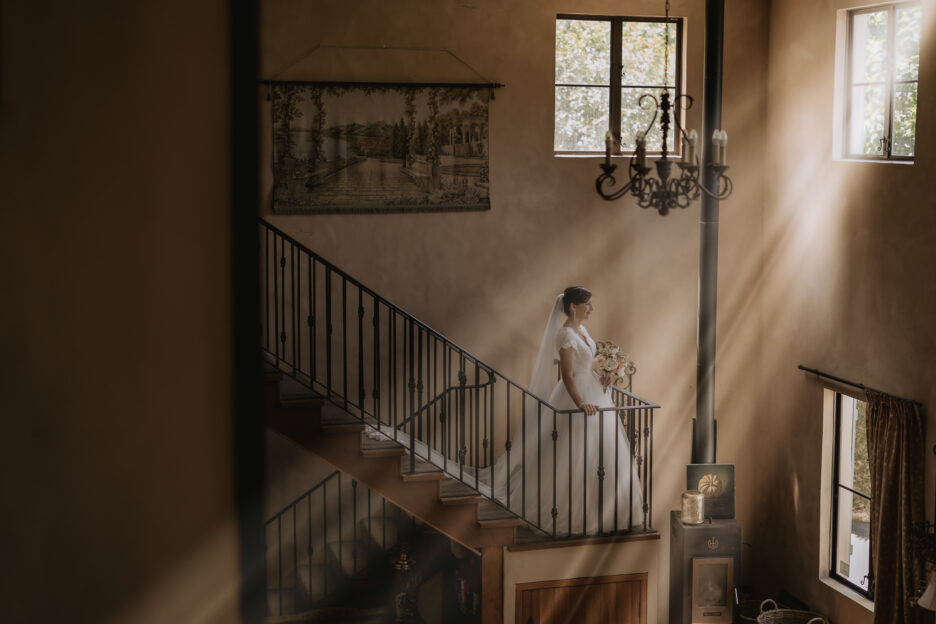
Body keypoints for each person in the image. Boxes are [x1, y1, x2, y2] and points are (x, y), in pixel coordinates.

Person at [494, 287, 645, 537]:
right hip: (578, 395)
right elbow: (567, 375)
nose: (592, 308)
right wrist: (580, 403)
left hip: (596, 391)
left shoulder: (582, 330)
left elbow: (585, 365)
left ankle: (609, 513)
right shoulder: (565, 335)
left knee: (603, 452)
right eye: (588, 304)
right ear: (574, 307)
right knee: (573, 452)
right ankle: (574, 515)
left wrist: (603, 376)